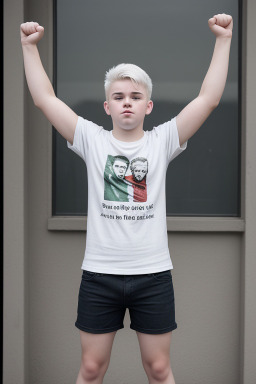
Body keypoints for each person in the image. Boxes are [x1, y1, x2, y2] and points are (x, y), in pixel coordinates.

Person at [20, 13, 233, 384]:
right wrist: (28, 47)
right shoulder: (91, 139)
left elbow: (209, 99)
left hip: (152, 275)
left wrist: (224, 39)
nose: (127, 103)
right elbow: (44, 99)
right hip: (99, 275)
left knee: (159, 369)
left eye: (136, 97)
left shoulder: (163, 140)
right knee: (90, 370)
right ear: (107, 107)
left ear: (148, 106)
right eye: (118, 97)